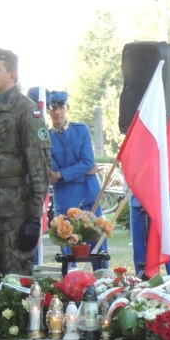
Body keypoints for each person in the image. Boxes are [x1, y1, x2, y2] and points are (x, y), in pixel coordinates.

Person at [0, 49, 51, 296]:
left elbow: (40, 165)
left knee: (16, 284)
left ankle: (17, 333)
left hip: (12, 211)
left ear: (12, 75)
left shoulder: (27, 110)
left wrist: (35, 217)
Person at [47, 90, 108, 269]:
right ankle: (70, 286)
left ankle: (103, 283)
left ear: (67, 108)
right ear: (48, 111)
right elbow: (52, 172)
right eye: (52, 108)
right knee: (67, 243)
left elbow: (88, 161)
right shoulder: (46, 138)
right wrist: (80, 170)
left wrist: (61, 175)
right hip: (65, 198)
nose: (57, 112)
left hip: (89, 196)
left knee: (98, 245)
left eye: (60, 107)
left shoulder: (81, 130)